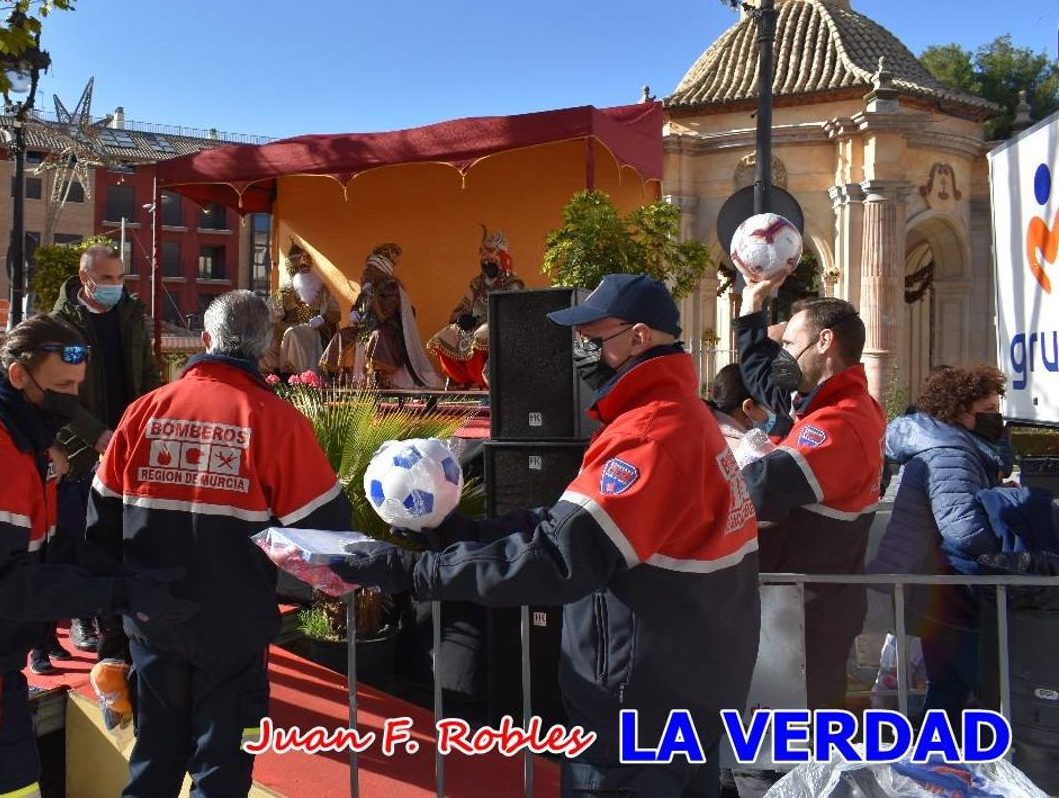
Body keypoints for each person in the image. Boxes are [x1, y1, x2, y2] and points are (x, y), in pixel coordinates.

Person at [332, 274, 760, 797]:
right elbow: (567, 522)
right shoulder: (682, 417)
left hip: (641, 706)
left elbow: (559, 558)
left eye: (594, 341)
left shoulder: (651, 435)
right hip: (691, 688)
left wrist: (409, 572)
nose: (583, 354)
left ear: (640, 337)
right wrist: (460, 534)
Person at [0, 315, 195, 798]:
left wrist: (126, 573)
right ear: (18, 375)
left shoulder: (18, 445)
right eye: (61, 386)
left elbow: (50, 546)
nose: (71, 400)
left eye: (77, 386)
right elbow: (2, 583)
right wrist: (120, 592)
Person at [92, 290, 352, 797]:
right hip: (233, 631)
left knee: (152, 761)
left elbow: (99, 529)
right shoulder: (275, 421)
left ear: (206, 340)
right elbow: (327, 529)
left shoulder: (143, 412)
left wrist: (112, 633)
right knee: (223, 772)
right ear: (266, 347)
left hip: (150, 625)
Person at [734, 275, 886, 711]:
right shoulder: (833, 404)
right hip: (805, 607)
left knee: (786, 749)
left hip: (807, 614)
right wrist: (751, 306)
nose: (784, 356)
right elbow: (765, 377)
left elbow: (758, 491)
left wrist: (741, 464)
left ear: (824, 341)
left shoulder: (840, 422)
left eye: (791, 343)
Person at [869, 364, 1008, 722]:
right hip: (949, 589)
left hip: (936, 586)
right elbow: (962, 527)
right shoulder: (951, 453)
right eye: (988, 410)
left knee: (949, 689)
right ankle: (953, 765)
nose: (997, 417)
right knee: (975, 685)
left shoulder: (950, 445)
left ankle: (935, 766)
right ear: (960, 411)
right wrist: (1008, 546)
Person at [51, 243, 162, 664]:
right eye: (108, 278)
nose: (117, 286)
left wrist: (151, 419)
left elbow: (148, 373)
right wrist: (95, 434)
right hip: (84, 444)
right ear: (86, 279)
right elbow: (60, 392)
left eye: (120, 277)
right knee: (82, 531)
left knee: (119, 530)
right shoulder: (62, 325)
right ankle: (83, 614)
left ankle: (115, 614)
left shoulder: (131, 315)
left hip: (129, 440)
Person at [321, 243, 440, 389]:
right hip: (364, 331)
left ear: (380, 270)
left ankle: (378, 379)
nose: (365, 273)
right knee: (342, 335)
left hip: (389, 333)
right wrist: (354, 312)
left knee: (377, 336)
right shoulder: (367, 288)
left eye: (370, 269)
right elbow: (358, 307)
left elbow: (383, 314)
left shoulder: (391, 288)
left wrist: (371, 296)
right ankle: (339, 377)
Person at [427, 225, 525, 389]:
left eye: (491, 261)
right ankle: (459, 378)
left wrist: (486, 320)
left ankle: (484, 380)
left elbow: (512, 310)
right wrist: (461, 318)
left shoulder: (512, 283)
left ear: (500, 261)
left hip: (499, 324)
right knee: (442, 336)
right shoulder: (476, 282)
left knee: (480, 336)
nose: (487, 264)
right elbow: (465, 303)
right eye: (484, 262)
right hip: (474, 323)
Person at [264, 241, 340, 375]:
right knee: (281, 337)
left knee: (294, 334)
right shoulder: (284, 293)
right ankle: (284, 376)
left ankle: (306, 376)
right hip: (288, 331)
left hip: (317, 332)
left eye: (306, 268)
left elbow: (336, 313)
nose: (304, 271)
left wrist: (323, 318)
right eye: (300, 269)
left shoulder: (322, 290)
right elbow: (269, 316)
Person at [708, 362, 776, 454]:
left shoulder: (702, 434)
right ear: (748, 407)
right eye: (767, 404)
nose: (770, 411)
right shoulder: (754, 453)